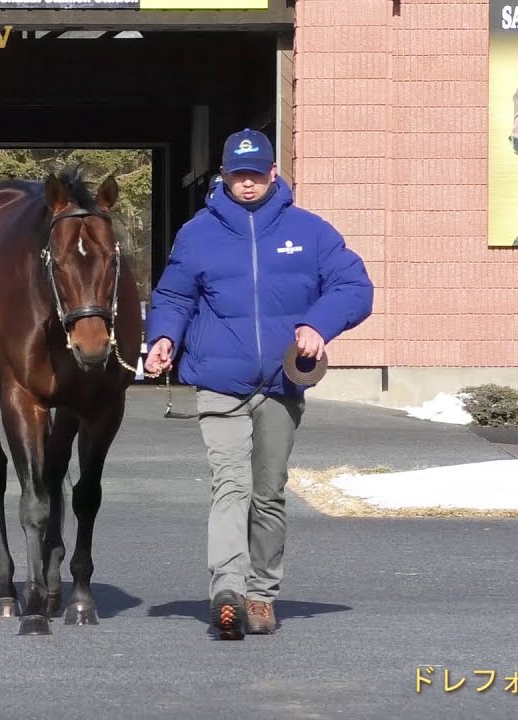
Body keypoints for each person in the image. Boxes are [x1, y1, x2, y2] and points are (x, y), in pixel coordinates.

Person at [143, 129, 374, 640]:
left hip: (281, 385)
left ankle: (261, 594)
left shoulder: (309, 231)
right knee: (231, 483)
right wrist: (163, 337)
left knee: (268, 493)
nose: (246, 184)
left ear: (273, 173)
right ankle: (227, 587)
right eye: (236, 175)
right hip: (219, 380)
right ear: (223, 177)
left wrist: (318, 324)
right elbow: (175, 297)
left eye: (255, 174)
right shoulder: (197, 233)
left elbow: (354, 286)